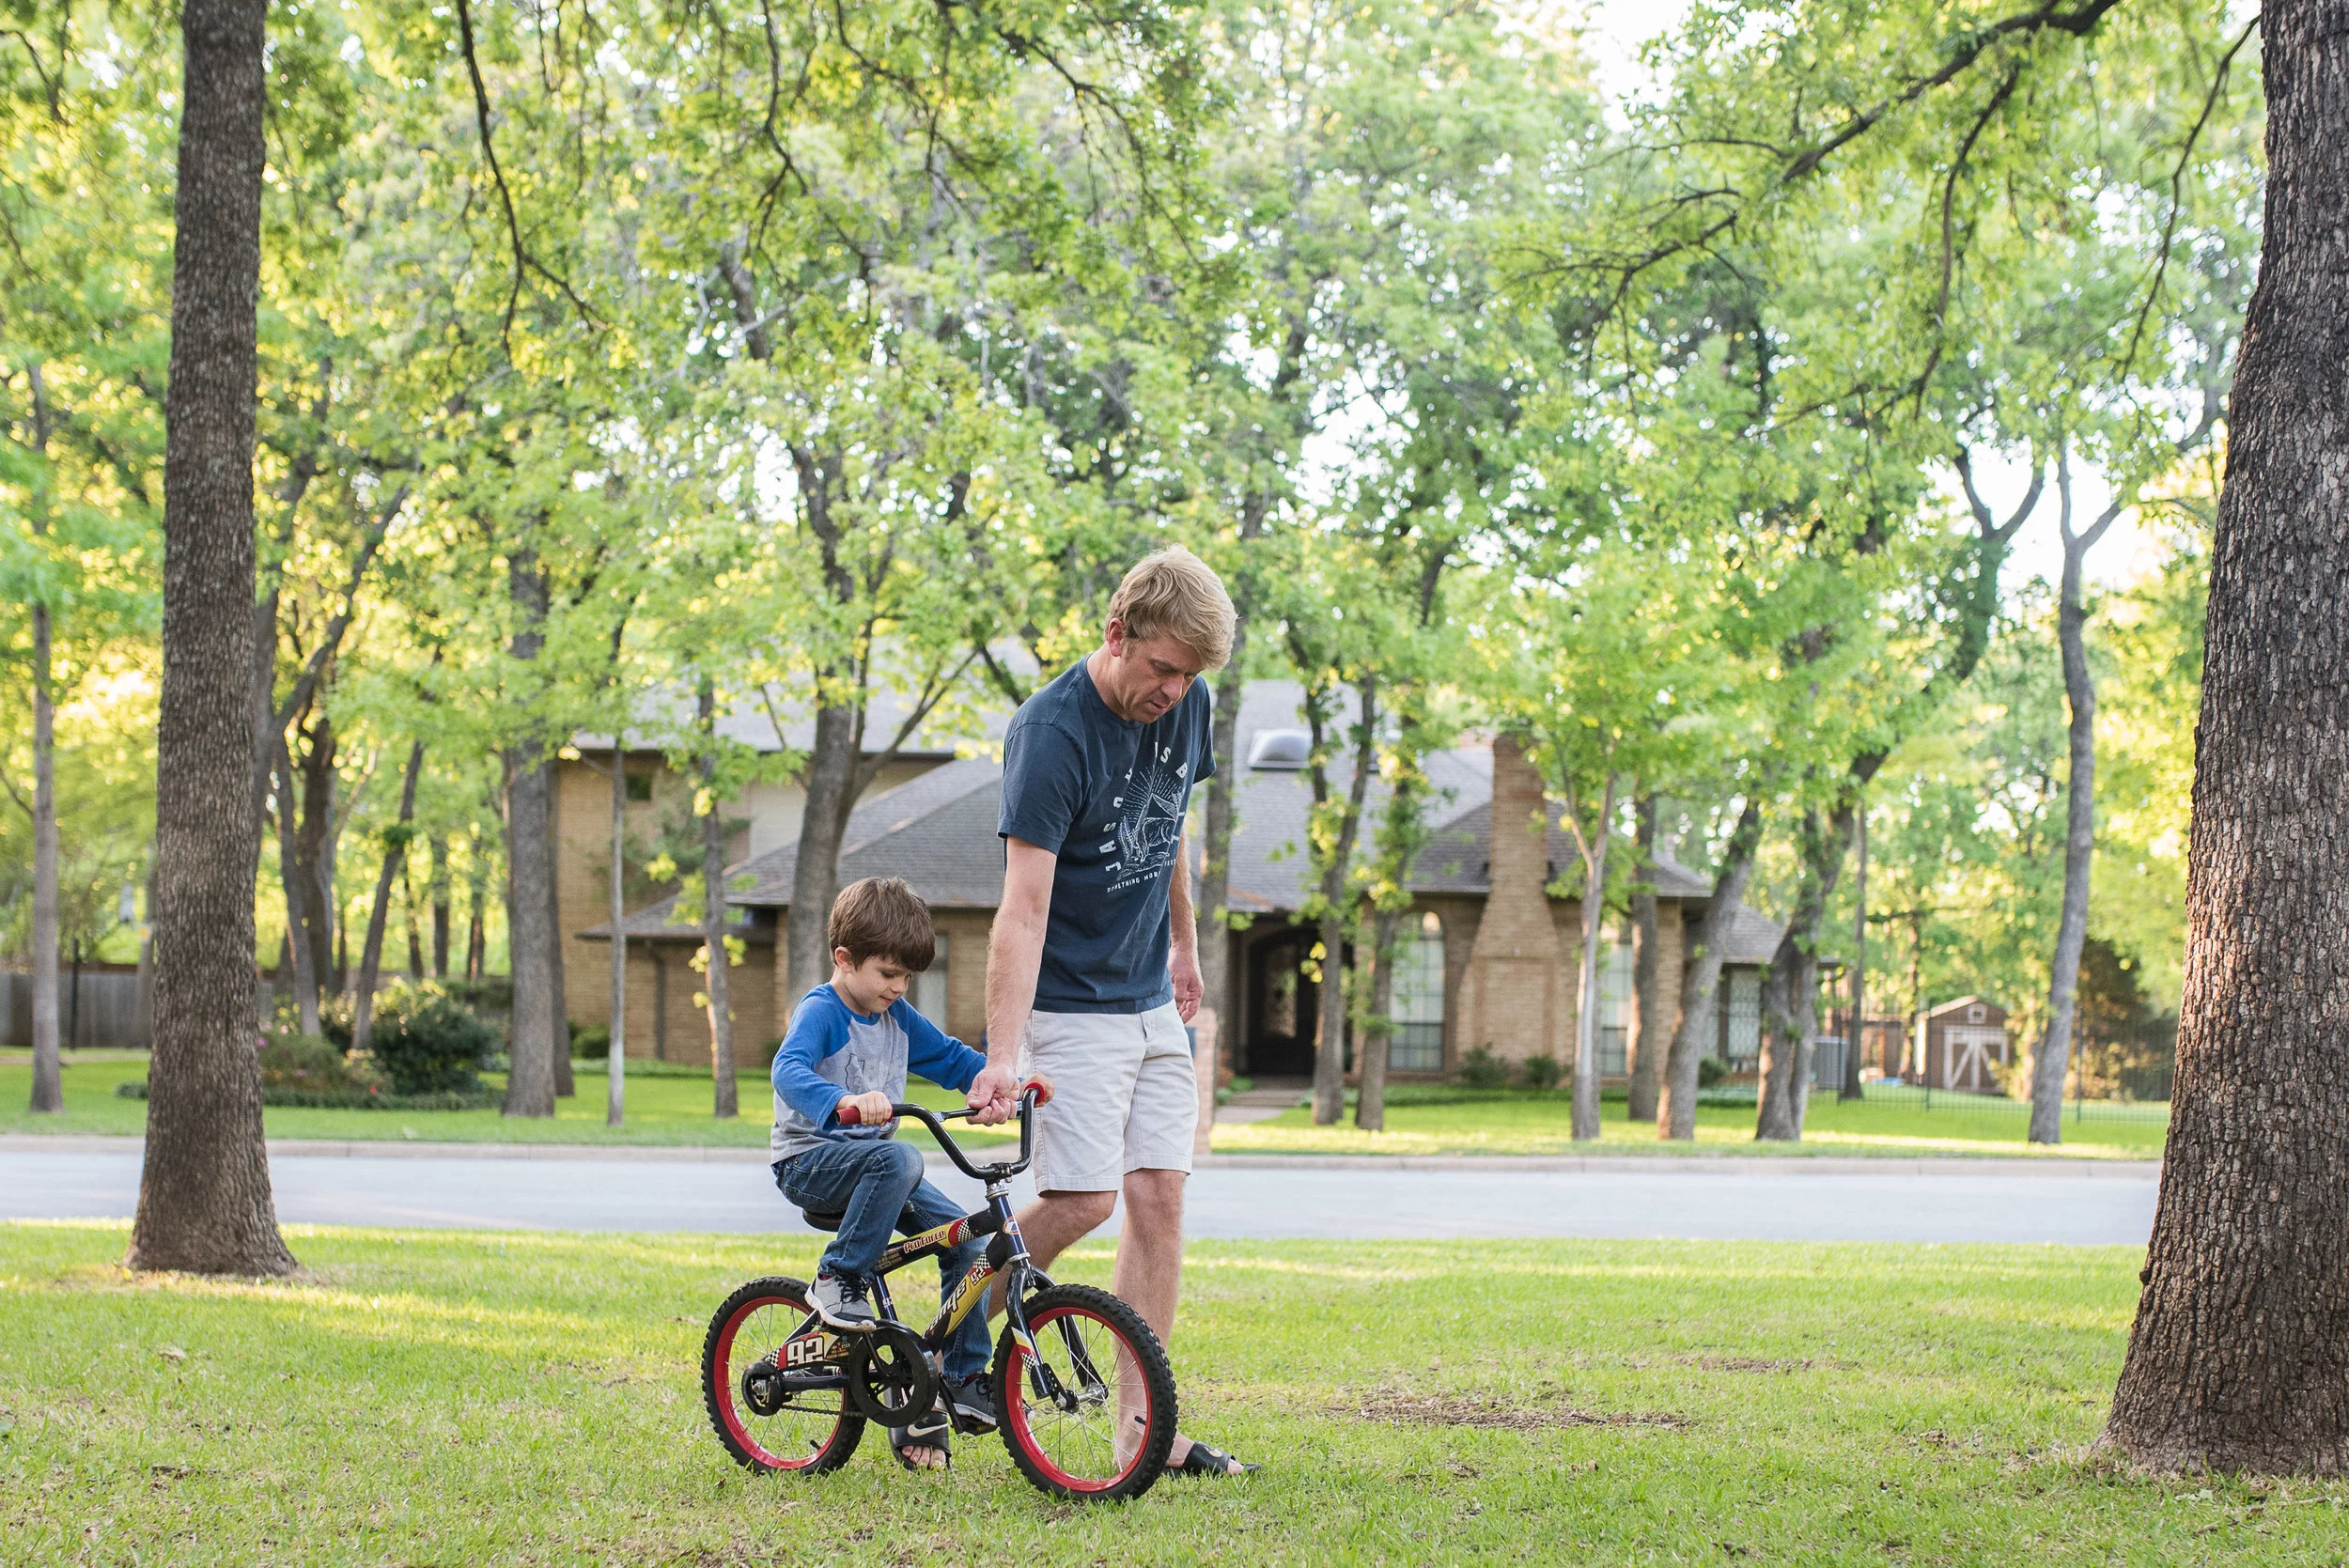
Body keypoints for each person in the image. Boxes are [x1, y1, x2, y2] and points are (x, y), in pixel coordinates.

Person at [964, 545, 1258, 1477]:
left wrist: (1183, 942)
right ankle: (962, 1304)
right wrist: (1002, 1053)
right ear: (1116, 633)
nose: (1174, 690)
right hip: (1069, 1000)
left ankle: (1145, 1435)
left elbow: (1167, 820)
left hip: (1146, 997)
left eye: (1191, 675)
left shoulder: (1190, 705)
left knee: (1159, 1195)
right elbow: (1022, 906)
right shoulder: (1052, 732)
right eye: (1162, 668)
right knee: (1085, 1197)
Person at [770, 875, 1032, 1470]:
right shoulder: (823, 1011)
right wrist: (839, 1101)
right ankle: (838, 1278)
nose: (898, 987)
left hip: (879, 1168)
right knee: (901, 1156)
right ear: (845, 959)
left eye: (906, 976)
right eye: (888, 973)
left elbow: (948, 1057)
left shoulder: (897, 1017)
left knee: (972, 1239)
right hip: (812, 1161)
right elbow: (787, 1070)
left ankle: (961, 1376)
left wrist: (998, 1081)